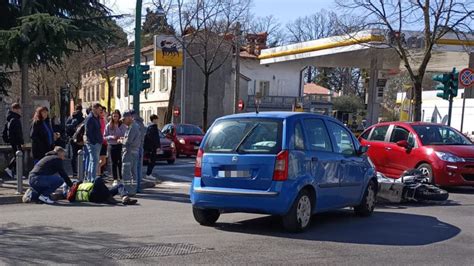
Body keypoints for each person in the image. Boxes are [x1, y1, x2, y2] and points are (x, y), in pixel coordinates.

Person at [119, 110, 141, 195]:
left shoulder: (132, 127)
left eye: (124, 120)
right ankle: (132, 189)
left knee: (127, 172)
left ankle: (128, 190)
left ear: (129, 118)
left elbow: (128, 142)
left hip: (129, 152)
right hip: (133, 152)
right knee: (133, 172)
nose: (123, 122)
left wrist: (121, 141)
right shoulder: (133, 126)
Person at [104, 110, 126, 186]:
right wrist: (111, 136)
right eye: (114, 116)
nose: (115, 118)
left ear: (119, 116)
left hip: (120, 144)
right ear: (112, 117)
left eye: (116, 116)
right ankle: (115, 179)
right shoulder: (108, 125)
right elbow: (105, 136)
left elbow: (124, 134)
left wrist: (120, 136)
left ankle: (121, 177)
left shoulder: (122, 125)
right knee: (113, 162)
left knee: (120, 161)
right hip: (112, 145)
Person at [3, 103, 24, 179]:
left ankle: (15, 173)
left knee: (17, 156)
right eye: (18, 109)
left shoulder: (11, 118)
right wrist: (21, 142)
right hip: (16, 141)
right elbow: (17, 132)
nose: (19, 110)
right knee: (18, 156)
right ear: (14, 109)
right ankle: (10, 169)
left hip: (13, 140)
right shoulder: (15, 119)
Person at [84, 103, 103, 182]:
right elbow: (89, 132)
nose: (100, 111)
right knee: (94, 161)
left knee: (93, 161)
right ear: (94, 109)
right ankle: (92, 179)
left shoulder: (96, 118)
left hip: (97, 142)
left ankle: (90, 178)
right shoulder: (90, 118)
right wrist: (94, 142)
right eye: (99, 109)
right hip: (93, 143)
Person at [66, 105, 85, 175]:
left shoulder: (70, 118)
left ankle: (74, 171)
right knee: (83, 155)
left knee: (74, 156)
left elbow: (66, 128)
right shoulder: (83, 119)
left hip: (72, 139)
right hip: (81, 140)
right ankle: (82, 170)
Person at [144, 114, 161, 181]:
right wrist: (157, 146)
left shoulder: (150, 127)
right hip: (152, 148)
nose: (157, 120)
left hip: (151, 147)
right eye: (156, 119)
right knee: (152, 161)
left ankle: (149, 174)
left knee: (152, 161)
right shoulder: (152, 127)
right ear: (153, 119)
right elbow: (154, 138)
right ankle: (148, 174)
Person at [98, 106, 108, 177]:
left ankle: (99, 173)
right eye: (101, 112)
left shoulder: (104, 120)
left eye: (103, 112)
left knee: (103, 161)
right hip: (100, 142)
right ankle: (98, 174)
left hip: (105, 142)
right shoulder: (98, 120)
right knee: (100, 160)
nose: (103, 113)